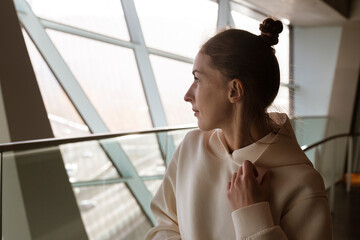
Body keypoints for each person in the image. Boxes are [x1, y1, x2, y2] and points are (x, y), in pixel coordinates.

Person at [145, 18, 332, 240]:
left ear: (234, 90)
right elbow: (165, 224)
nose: (187, 95)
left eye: (198, 79)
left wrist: (253, 216)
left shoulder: (303, 185)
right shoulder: (190, 147)